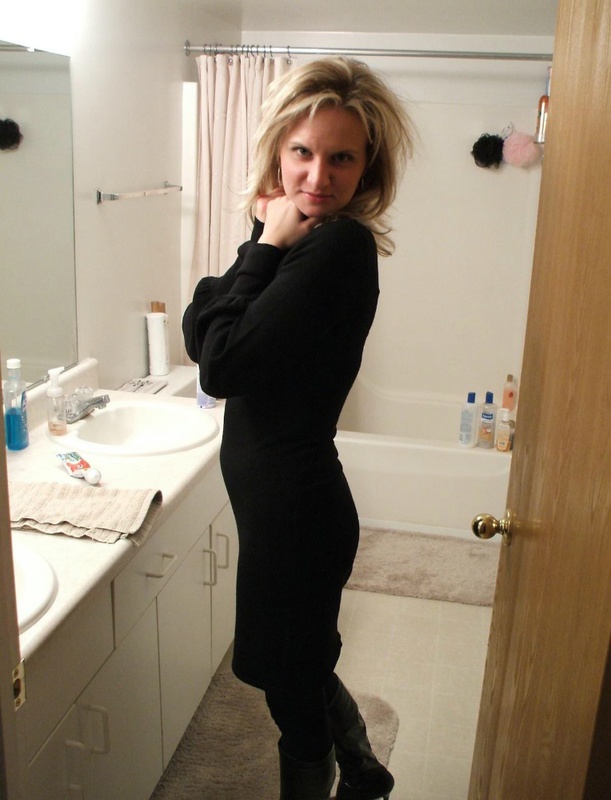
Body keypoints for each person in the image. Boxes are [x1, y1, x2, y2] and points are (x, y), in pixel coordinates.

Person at [183, 56, 414, 800]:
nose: (317, 175)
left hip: (297, 518)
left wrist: (264, 243)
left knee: (286, 687)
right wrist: (266, 238)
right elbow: (202, 326)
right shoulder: (300, 242)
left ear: (367, 166)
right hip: (287, 513)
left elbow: (218, 363)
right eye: (302, 152)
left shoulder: (335, 248)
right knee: (298, 662)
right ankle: (364, 768)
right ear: (277, 152)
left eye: (341, 158)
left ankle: (340, 775)